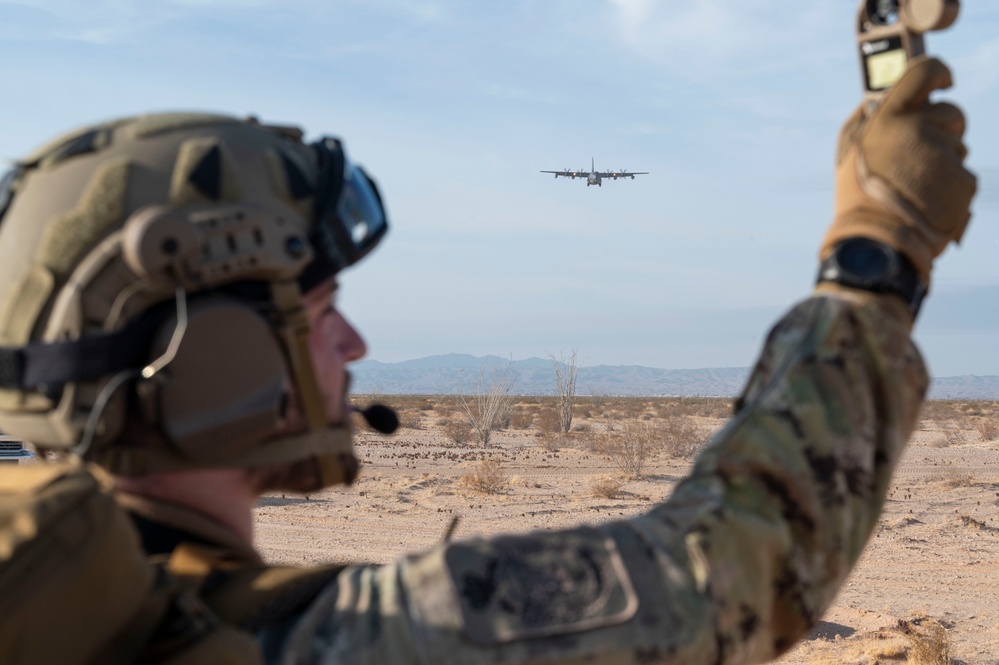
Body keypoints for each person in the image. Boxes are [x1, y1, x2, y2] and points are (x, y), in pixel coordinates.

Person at [0, 55, 975, 664]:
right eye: (320, 312)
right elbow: (738, 565)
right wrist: (878, 251)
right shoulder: (299, 639)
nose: (353, 345)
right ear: (208, 359)